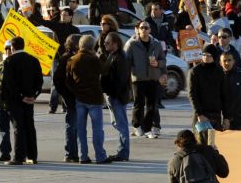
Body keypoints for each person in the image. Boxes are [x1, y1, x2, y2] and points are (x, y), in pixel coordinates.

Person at [66, 35, 112, 164]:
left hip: (80, 98)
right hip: (94, 98)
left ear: (80, 45)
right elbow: (104, 71)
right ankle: (100, 156)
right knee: (97, 129)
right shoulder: (93, 59)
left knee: (81, 129)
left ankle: (83, 156)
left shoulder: (72, 60)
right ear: (92, 46)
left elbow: (68, 81)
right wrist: (102, 57)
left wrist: (75, 91)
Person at [0, 36, 44, 165]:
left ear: (12, 47)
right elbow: (39, 81)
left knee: (18, 126)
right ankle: (32, 156)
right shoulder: (33, 60)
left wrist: (20, 96)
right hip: (29, 99)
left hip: (15, 100)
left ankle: (19, 156)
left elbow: (9, 83)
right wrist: (33, 96)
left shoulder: (9, 61)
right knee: (29, 126)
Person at [125, 21, 168, 140]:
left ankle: (148, 128)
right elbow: (126, 62)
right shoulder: (132, 44)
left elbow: (163, 60)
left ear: (150, 30)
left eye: (146, 28)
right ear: (138, 30)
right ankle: (136, 126)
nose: (144, 30)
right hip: (138, 78)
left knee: (152, 105)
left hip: (153, 78)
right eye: (142, 28)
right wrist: (129, 75)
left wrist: (158, 64)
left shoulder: (156, 44)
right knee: (138, 104)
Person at [100, 31, 132, 162]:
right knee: (116, 123)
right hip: (112, 95)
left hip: (117, 96)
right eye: (105, 42)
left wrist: (114, 95)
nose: (105, 44)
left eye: (108, 42)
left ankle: (123, 153)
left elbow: (121, 80)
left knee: (121, 124)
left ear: (115, 44)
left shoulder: (121, 58)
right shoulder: (112, 55)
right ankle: (122, 151)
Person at [52, 34, 82, 162]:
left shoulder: (77, 56)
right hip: (71, 98)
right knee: (72, 126)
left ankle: (75, 153)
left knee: (77, 127)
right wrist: (65, 95)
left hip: (77, 97)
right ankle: (70, 153)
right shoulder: (66, 58)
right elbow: (58, 80)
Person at [189, 47, 225, 142]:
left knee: (214, 144)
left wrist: (226, 116)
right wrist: (199, 114)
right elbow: (192, 94)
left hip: (216, 114)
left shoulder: (219, 71)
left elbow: (224, 94)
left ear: (214, 57)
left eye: (209, 55)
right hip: (201, 114)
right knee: (201, 143)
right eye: (203, 55)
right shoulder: (195, 71)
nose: (205, 57)